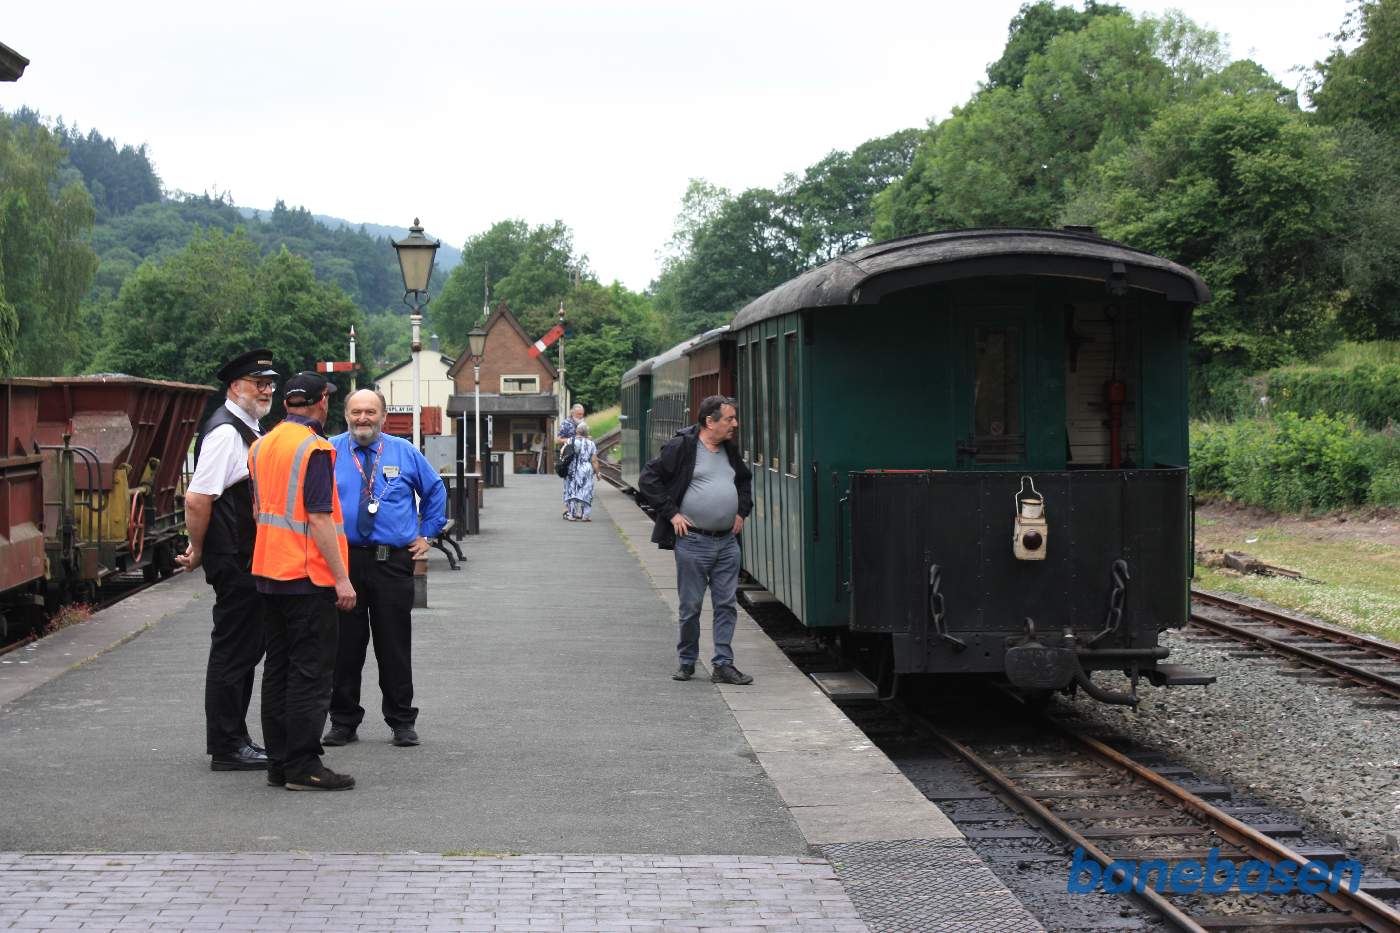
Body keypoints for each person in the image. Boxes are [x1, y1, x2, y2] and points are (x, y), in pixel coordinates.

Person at [248, 372, 357, 791]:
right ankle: (304, 766)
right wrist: (342, 579)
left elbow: (260, 511)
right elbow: (319, 516)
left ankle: (279, 762)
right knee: (311, 674)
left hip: (268, 571)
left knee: (277, 669)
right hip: (307, 575)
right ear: (322, 403)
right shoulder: (314, 448)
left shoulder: (261, 446)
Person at [323, 388, 447, 749]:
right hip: (344, 561)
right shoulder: (328, 451)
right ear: (345, 414)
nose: (363, 419)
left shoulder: (403, 452)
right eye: (356, 412)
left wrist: (428, 533)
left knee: (394, 644)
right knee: (345, 646)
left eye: (370, 412)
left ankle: (401, 720)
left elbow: (435, 489)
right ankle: (343, 721)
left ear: (383, 416)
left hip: (391, 561)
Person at [178, 349, 278, 772]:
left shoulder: (246, 428)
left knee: (244, 650)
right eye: (259, 383)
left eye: (270, 383)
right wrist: (198, 549)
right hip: (234, 558)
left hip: (245, 557)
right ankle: (227, 745)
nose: (267, 390)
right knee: (234, 652)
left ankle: (235, 738)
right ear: (235, 387)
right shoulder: (225, 434)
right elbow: (198, 498)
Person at [638, 396, 754, 685]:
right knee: (690, 606)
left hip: (727, 542)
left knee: (726, 604)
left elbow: (743, 480)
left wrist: (741, 511)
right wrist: (672, 514)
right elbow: (648, 479)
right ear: (709, 421)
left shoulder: (730, 450)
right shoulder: (683, 447)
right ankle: (687, 660)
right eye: (729, 419)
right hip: (693, 542)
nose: (735, 424)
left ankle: (723, 664)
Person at [564, 420, 599, 521]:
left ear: (577, 431)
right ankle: (585, 515)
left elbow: (563, 453)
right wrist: (598, 473)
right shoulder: (591, 444)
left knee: (572, 490)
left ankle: (571, 514)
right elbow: (594, 460)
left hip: (573, 468)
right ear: (587, 433)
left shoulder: (570, 441)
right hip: (587, 468)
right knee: (586, 491)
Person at [557, 403, 585, 517]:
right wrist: (572, 440)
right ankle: (567, 508)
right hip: (569, 459)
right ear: (572, 413)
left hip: (581, 459)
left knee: (580, 484)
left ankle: (577, 509)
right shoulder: (566, 423)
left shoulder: (583, 423)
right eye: (579, 414)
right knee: (569, 485)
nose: (581, 416)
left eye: (582, 414)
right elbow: (558, 440)